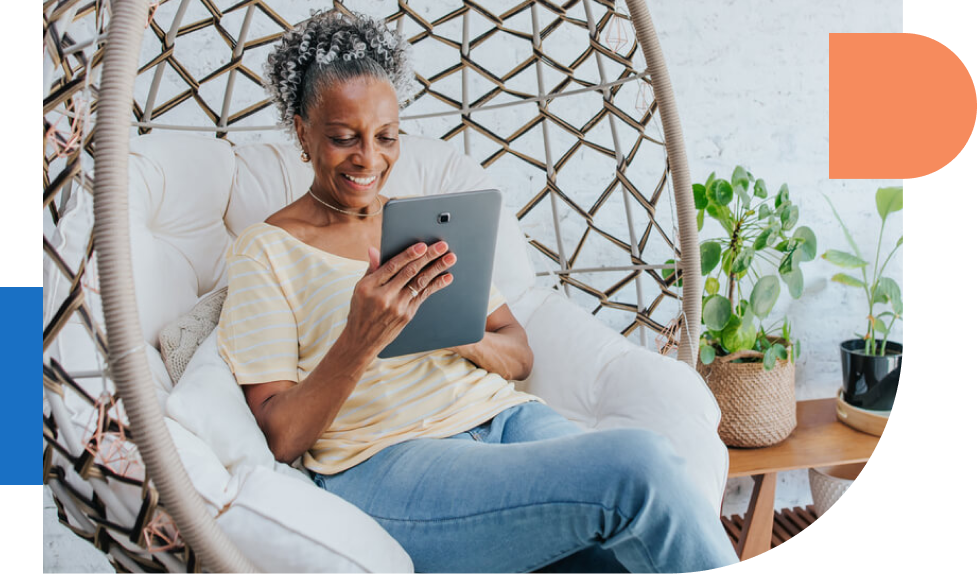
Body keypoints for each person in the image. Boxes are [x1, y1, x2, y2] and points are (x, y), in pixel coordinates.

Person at [216, 9, 739, 574]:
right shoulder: (265, 250)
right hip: (390, 463)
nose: (369, 158)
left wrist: (452, 330)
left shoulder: (420, 225)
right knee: (641, 468)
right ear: (302, 131)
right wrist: (361, 339)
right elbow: (281, 436)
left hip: (507, 419)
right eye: (344, 138)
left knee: (621, 548)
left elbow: (517, 353)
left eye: (386, 137)